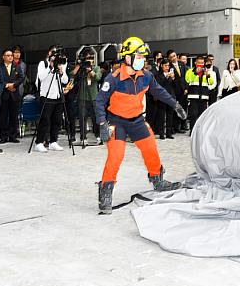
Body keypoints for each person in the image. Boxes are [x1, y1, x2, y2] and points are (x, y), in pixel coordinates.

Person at [95, 36, 188, 214]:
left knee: (150, 148)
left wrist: (175, 104)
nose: (142, 61)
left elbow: (158, 91)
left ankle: (157, 180)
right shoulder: (113, 78)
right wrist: (102, 123)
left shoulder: (146, 76)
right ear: (127, 57)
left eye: (143, 58)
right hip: (116, 122)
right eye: (138, 57)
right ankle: (106, 190)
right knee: (116, 156)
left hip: (137, 120)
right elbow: (99, 101)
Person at [34, 46, 68, 153]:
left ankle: (53, 141)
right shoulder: (43, 64)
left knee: (57, 120)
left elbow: (65, 80)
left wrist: (61, 72)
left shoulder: (61, 63)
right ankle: (39, 142)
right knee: (45, 120)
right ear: (49, 53)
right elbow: (41, 77)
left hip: (58, 95)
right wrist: (50, 67)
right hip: (46, 95)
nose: (55, 54)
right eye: (53, 52)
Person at [70, 47, 102, 145]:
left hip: (93, 97)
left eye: (91, 58)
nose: (90, 60)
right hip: (82, 97)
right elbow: (72, 74)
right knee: (82, 118)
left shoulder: (96, 67)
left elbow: (98, 77)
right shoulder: (81, 68)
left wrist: (90, 70)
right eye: (87, 58)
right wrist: (79, 66)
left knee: (95, 118)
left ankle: (98, 136)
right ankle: (83, 138)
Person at [184, 56, 215, 133]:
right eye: (199, 63)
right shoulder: (190, 71)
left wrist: (207, 75)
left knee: (202, 115)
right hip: (193, 97)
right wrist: (196, 73)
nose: (201, 65)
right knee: (193, 115)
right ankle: (193, 131)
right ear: (195, 63)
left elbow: (211, 82)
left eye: (202, 63)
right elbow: (188, 80)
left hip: (204, 97)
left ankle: (201, 131)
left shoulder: (206, 71)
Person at [0, 47, 24, 143]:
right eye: (8, 55)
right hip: (4, 94)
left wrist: (14, 84)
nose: (10, 57)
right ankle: (4, 136)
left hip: (14, 94)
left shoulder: (16, 66)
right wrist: (6, 85)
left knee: (14, 116)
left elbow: (21, 77)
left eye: (11, 56)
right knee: (3, 116)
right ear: (3, 57)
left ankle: (13, 136)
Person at [153, 59, 176, 139]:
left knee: (170, 115)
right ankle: (161, 133)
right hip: (162, 96)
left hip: (170, 96)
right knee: (161, 115)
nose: (167, 67)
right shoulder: (158, 75)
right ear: (161, 66)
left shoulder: (171, 74)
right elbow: (159, 84)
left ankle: (169, 133)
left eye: (168, 66)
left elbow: (175, 86)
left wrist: (173, 78)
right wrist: (166, 76)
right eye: (165, 65)